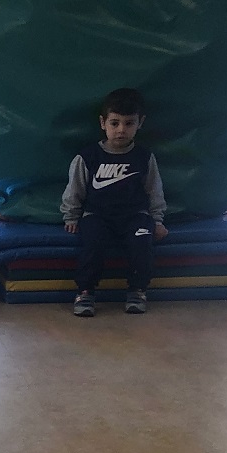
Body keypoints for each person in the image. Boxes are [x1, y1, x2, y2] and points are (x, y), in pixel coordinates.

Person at [62, 86, 168, 318]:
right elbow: (75, 189)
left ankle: (137, 290)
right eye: (115, 123)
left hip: (135, 216)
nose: (121, 130)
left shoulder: (144, 157)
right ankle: (85, 292)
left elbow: (154, 190)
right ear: (103, 123)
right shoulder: (88, 156)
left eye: (129, 123)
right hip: (97, 215)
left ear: (140, 123)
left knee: (142, 244)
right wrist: (71, 216)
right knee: (92, 245)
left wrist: (157, 220)